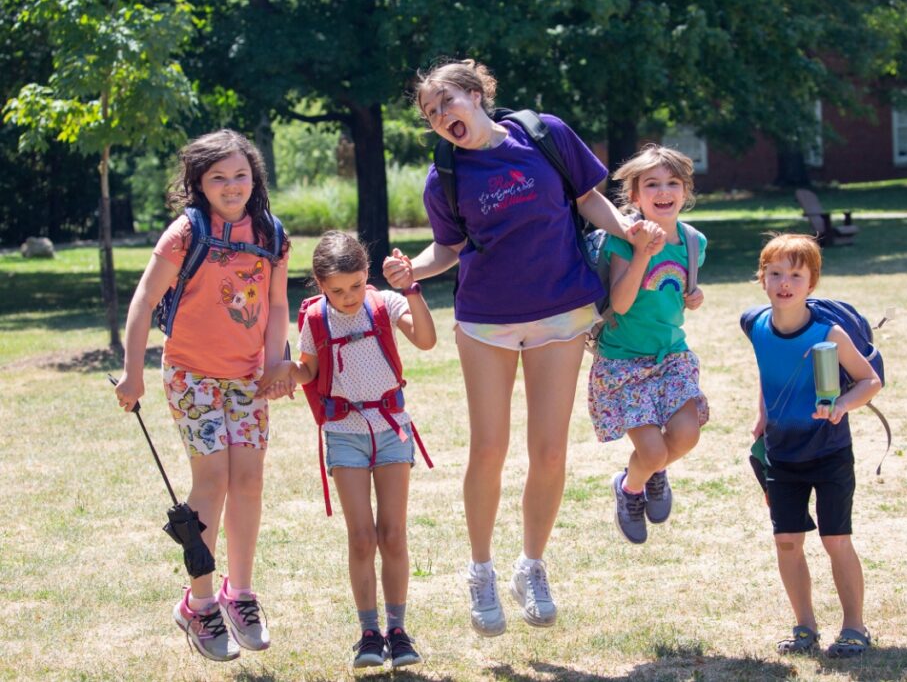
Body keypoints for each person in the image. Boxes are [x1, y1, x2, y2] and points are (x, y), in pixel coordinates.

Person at [383, 58, 663, 637]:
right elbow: (449, 248)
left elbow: (588, 199)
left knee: (550, 451)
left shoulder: (546, 134)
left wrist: (625, 230)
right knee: (488, 448)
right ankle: (480, 570)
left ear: (477, 95)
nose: (441, 118)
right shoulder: (447, 177)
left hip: (561, 311)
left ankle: (531, 567)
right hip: (486, 320)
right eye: (431, 114)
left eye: (447, 104)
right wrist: (412, 271)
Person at [114, 129, 291, 661]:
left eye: (240, 175)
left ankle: (240, 593)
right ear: (199, 183)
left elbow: (278, 306)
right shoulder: (185, 233)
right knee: (212, 479)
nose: (232, 185)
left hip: (247, 377)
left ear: (254, 177)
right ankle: (199, 601)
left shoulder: (271, 233)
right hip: (191, 375)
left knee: (250, 479)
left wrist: (278, 360)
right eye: (218, 177)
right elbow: (145, 301)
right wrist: (132, 373)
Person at [262, 231, 436, 669]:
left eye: (356, 285)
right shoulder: (315, 320)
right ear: (320, 286)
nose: (348, 297)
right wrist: (286, 374)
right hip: (344, 435)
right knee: (361, 537)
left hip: (392, 428)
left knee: (393, 533)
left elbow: (427, 339)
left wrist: (411, 288)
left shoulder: (384, 304)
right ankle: (369, 634)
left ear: (367, 274)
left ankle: (398, 631)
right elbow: (308, 371)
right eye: (337, 290)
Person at [744, 233, 881, 658]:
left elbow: (870, 381)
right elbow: (771, 371)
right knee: (786, 540)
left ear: (811, 283)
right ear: (762, 278)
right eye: (776, 273)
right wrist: (763, 413)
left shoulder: (829, 333)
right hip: (782, 454)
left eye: (796, 275)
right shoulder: (754, 323)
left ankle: (855, 628)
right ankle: (804, 627)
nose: (785, 283)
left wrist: (840, 405)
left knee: (835, 539)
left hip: (829, 452)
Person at [589, 145, 710, 545]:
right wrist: (642, 250)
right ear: (635, 197)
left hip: (671, 357)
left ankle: (640, 476)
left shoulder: (693, 242)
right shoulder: (623, 240)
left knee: (686, 436)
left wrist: (694, 296)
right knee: (654, 453)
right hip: (624, 363)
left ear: (685, 191)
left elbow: (674, 289)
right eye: (652, 184)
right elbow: (621, 302)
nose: (663, 191)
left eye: (672, 183)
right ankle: (630, 486)